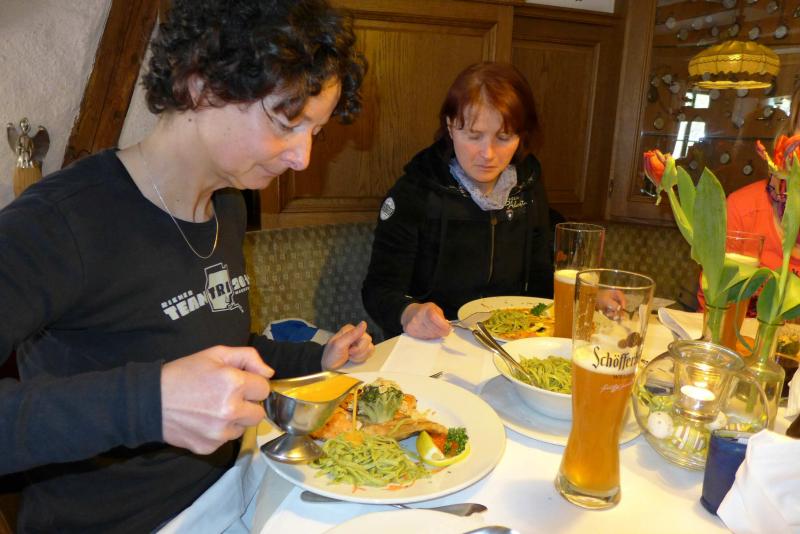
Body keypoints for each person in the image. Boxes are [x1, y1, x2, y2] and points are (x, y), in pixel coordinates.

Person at [0, 1, 370, 531]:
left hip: (228, 499)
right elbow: (158, 383)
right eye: (287, 122)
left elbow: (209, 345)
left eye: (316, 131)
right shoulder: (59, 223)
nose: (302, 158)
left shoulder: (228, 205)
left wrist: (315, 356)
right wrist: (149, 404)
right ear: (200, 84)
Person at [362, 62, 554, 340]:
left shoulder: (528, 187)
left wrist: (583, 296)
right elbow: (379, 289)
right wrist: (409, 312)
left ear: (521, 135)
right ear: (451, 126)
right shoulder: (414, 192)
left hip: (513, 340)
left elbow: (540, 280)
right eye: (474, 136)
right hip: (434, 342)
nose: (488, 154)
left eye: (504, 137)